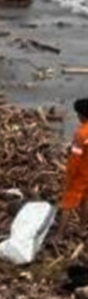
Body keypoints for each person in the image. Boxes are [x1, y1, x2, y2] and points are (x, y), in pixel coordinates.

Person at [59, 98, 88, 236]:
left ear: (82, 115)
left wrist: (69, 176)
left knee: (67, 204)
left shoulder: (81, 134)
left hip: (80, 174)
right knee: (85, 200)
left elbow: (75, 159)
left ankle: (59, 235)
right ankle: (82, 229)